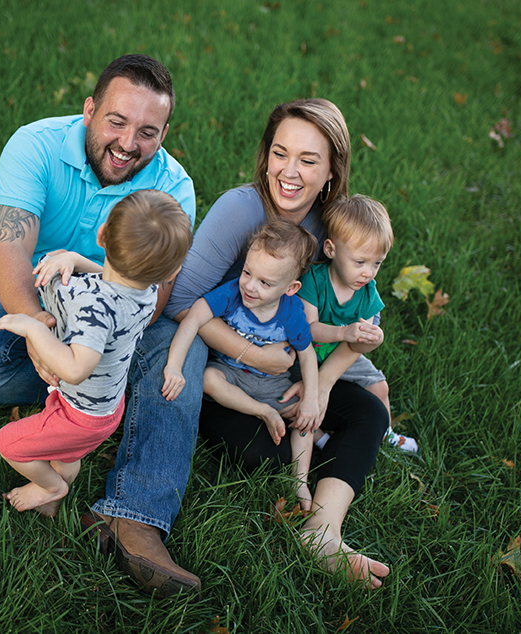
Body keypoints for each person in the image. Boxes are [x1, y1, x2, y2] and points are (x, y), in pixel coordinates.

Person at [0, 54, 203, 597]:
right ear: (89, 110)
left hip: (120, 321)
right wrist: (42, 330)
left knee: (179, 355)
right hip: (43, 298)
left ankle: (137, 517)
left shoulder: (175, 188)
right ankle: (96, 402)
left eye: (148, 131)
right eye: (117, 121)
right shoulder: (34, 146)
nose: (130, 142)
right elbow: (10, 262)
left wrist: (89, 348)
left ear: (165, 133)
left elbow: (156, 299)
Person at [164, 98, 392, 589]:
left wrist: (322, 387)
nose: (289, 172)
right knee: (260, 455)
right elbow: (180, 301)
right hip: (228, 362)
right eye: (280, 153)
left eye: (309, 160)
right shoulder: (239, 209)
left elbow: (357, 310)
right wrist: (255, 354)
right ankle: (322, 459)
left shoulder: (334, 228)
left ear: (332, 171)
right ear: (266, 154)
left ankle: (323, 529)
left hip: (293, 366)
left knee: (371, 413)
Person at [0, 190, 192, 514]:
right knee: (66, 454)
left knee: (9, 444)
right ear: (170, 273)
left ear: (101, 236)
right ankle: (56, 493)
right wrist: (75, 259)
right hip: (104, 408)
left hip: (80, 415)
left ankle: (51, 487)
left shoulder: (95, 309)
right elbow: (116, 278)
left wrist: (34, 328)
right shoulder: (148, 292)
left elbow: (74, 369)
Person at [162, 220, 320, 510]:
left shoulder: (291, 311)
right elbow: (194, 317)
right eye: (247, 272)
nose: (249, 285)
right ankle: (262, 412)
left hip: (272, 382)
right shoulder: (232, 293)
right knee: (209, 379)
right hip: (232, 374)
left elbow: (307, 353)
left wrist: (311, 399)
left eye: (265, 283)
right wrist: (174, 365)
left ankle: (301, 482)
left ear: (291, 287)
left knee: (304, 415)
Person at [300, 194, 419, 453]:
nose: (368, 272)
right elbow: (308, 329)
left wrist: (376, 338)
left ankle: (386, 432)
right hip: (308, 354)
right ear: (330, 250)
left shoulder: (367, 292)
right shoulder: (315, 281)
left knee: (379, 385)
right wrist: (344, 332)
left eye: (377, 263)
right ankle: (320, 438)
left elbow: (364, 341)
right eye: (360, 262)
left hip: (342, 357)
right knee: (293, 391)